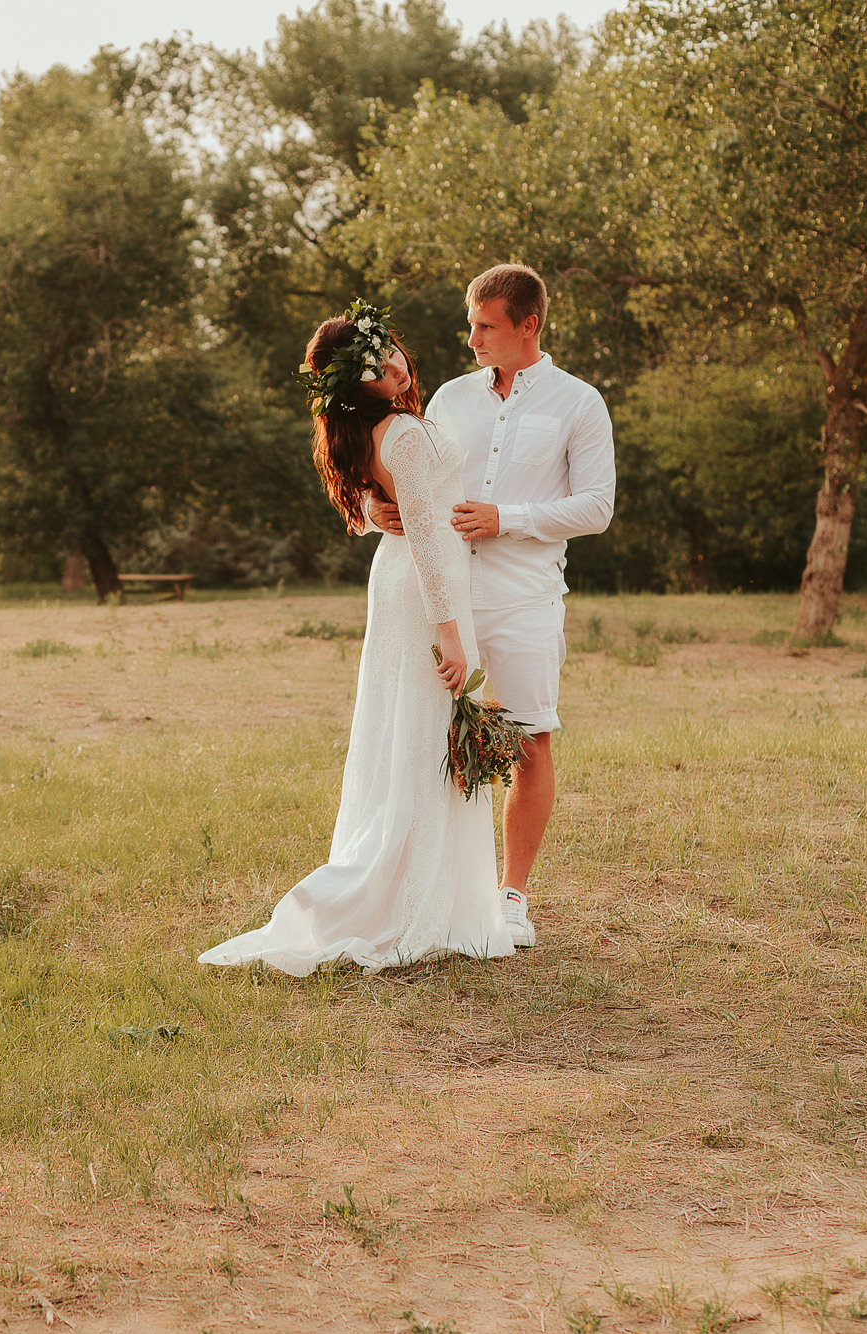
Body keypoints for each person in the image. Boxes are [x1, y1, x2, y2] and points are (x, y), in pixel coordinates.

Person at [199, 302, 513, 976]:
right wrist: (452, 638)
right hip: (425, 590)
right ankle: (408, 899)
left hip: (404, 582)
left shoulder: (381, 428)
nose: (393, 365)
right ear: (354, 384)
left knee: (411, 729)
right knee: (424, 732)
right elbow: (425, 536)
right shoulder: (402, 432)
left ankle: (434, 894)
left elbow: (394, 509)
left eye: (389, 348)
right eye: (374, 364)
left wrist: (373, 508)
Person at [371, 264, 615, 948]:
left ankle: (512, 897)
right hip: (443, 599)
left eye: (486, 326)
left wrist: (507, 518)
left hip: (523, 598)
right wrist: (374, 508)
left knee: (528, 741)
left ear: (527, 325)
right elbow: (404, 468)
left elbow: (597, 507)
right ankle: (446, 893)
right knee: (438, 743)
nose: (472, 338)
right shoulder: (449, 398)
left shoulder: (578, 403)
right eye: (471, 324)